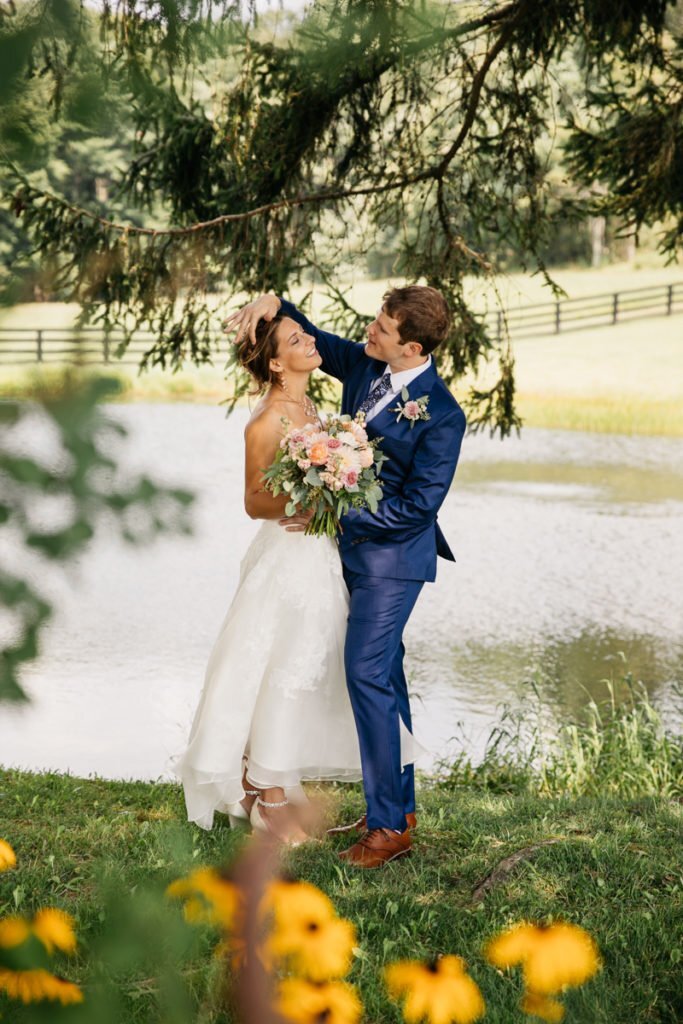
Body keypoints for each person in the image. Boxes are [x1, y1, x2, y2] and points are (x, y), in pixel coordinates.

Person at [225, 286, 467, 867]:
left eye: (381, 330)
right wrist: (271, 301)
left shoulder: (442, 415)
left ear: (410, 347)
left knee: (364, 672)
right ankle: (398, 808)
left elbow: (417, 508)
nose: (368, 333)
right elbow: (302, 334)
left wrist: (335, 500)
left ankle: (387, 831)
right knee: (386, 675)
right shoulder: (365, 363)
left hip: (393, 564)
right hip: (343, 560)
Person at [170, 313, 389, 845]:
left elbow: (324, 475)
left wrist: (337, 485)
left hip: (318, 554)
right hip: (286, 557)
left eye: (306, 335)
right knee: (279, 668)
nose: (311, 340)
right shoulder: (266, 420)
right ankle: (268, 801)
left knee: (303, 668)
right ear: (274, 362)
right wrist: (314, 497)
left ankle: (264, 780)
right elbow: (252, 502)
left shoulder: (313, 408)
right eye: (297, 339)